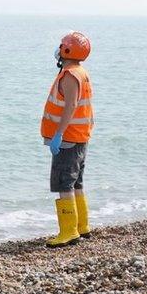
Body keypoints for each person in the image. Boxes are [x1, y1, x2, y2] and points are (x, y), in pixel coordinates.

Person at [41, 31, 94, 247]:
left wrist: (58, 134)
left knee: (64, 182)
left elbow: (70, 106)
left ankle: (68, 232)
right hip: (79, 136)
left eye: (62, 46)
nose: (59, 49)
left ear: (67, 50)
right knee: (76, 182)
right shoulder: (79, 72)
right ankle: (82, 226)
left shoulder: (70, 75)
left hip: (68, 138)